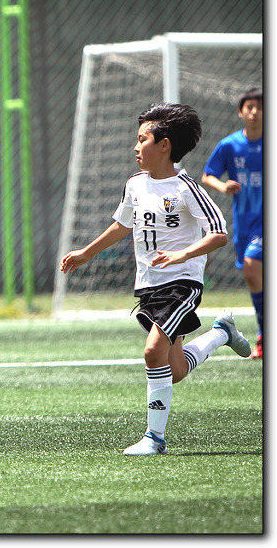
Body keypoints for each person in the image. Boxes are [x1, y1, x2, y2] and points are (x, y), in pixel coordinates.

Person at [60, 102, 252, 456]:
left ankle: (154, 438)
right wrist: (87, 252)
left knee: (152, 351)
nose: (135, 147)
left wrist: (182, 255)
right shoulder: (135, 184)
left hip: (182, 284)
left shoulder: (186, 188)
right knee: (174, 369)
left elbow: (219, 234)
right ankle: (222, 333)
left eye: (142, 139)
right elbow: (122, 225)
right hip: (149, 285)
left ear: (164, 145)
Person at [201, 87, 263, 359]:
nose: (255, 112)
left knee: (251, 267)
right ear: (240, 112)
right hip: (244, 222)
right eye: (249, 107)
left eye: (260, 107)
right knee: (253, 276)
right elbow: (208, 175)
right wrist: (223, 187)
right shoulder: (230, 145)